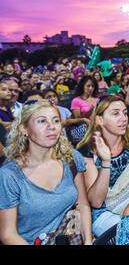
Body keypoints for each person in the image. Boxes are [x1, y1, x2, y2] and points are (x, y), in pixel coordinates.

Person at [0, 100, 92, 245]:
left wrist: (88, 241)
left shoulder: (71, 158)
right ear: (24, 129)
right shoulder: (9, 175)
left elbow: (82, 204)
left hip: (72, 239)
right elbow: (8, 234)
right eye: (42, 121)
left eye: (56, 120)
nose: (51, 127)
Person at [77, 95, 129, 237]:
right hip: (105, 213)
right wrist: (105, 162)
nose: (123, 118)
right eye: (115, 113)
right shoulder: (88, 151)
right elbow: (96, 201)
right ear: (100, 120)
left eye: (125, 113)